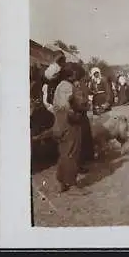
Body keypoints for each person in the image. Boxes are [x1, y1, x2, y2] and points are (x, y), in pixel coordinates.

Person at [51, 62, 90, 195]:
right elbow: (66, 105)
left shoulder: (61, 85)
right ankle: (71, 183)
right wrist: (81, 108)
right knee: (72, 152)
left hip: (60, 122)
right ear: (72, 74)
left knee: (64, 153)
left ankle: (61, 181)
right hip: (69, 123)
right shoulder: (67, 86)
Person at [76, 67, 94, 173]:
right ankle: (81, 162)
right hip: (79, 114)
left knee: (85, 135)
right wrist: (86, 104)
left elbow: (87, 94)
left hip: (82, 114)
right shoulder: (78, 86)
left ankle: (85, 158)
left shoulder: (82, 85)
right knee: (81, 137)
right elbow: (82, 99)